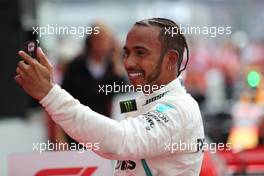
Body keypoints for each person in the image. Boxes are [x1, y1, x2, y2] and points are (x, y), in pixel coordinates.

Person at [15, 18, 205, 176]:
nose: (129, 62)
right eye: (126, 53)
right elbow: (117, 117)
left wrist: (50, 94)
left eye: (140, 53)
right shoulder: (141, 100)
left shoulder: (179, 108)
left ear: (170, 60)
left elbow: (120, 140)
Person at [61, 23, 125, 145]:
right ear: (89, 41)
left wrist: (117, 59)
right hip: (79, 132)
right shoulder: (76, 66)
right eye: (98, 39)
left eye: (106, 39)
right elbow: (64, 99)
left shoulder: (114, 67)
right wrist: (61, 138)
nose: (102, 44)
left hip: (109, 132)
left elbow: (125, 96)